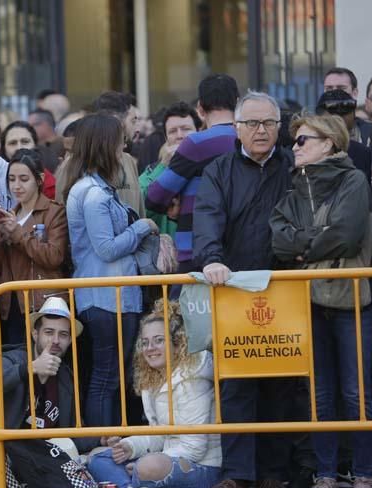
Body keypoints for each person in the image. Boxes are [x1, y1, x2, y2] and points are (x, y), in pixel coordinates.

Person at [270, 113, 372, 488]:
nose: (294, 147)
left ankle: (365, 476)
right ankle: (326, 476)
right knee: (321, 394)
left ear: (329, 143)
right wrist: (311, 241)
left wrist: (304, 246)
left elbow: (348, 235)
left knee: (356, 393)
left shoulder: (351, 179)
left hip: (353, 299)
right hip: (311, 299)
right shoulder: (296, 185)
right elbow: (279, 238)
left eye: (302, 140)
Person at [193, 91, 296, 488]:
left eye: (268, 123)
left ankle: (274, 474)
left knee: (281, 383)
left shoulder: (293, 165)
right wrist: (212, 259)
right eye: (251, 123)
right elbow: (207, 219)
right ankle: (237, 477)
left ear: (279, 126)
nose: (260, 131)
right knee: (235, 383)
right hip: (233, 288)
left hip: (285, 287)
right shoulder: (218, 170)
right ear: (236, 128)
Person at [64, 113, 158, 428]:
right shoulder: (93, 193)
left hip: (110, 295)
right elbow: (106, 248)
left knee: (113, 375)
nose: (124, 146)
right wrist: (142, 227)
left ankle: (109, 443)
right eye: (119, 140)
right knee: (107, 377)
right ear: (106, 144)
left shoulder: (97, 188)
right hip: (106, 296)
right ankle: (101, 447)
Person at [87, 300, 221, 488]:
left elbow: (195, 449)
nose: (150, 349)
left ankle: (131, 486)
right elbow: (159, 434)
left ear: (177, 343)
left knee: (149, 466)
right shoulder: (153, 378)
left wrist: (144, 463)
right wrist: (129, 447)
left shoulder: (193, 376)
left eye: (159, 341)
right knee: (97, 458)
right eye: (146, 342)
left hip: (202, 470)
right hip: (169, 458)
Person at [0, 296, 98, 488]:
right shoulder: (12, 359)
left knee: (99, 458)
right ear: (35, 334)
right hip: (4, 460)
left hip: (44, 458)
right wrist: (30, 369)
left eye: (63, 335)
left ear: (70, 340)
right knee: (66, 481)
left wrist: (102, 439)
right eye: (49, 332)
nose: (55, 341)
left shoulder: (65, 378)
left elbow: (69, 434)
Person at [146, 74, 240, 273]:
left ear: (200, 108)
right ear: (238, 103)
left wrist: (174, 204)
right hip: (241, 248)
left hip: (196, 248)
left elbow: (156, 196)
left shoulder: (197, 143)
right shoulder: (249, 141)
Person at [0, 148, 68, 344]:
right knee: (18, 366)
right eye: (12, 179)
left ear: (39, 179)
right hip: (11, 304)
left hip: (42, 302)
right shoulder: (10, 214)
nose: (16, 186)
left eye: (24, 179)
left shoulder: (53, 211)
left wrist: (16, 232)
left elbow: (54, 256)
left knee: (46, 363)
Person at [139, 103, 202, 236]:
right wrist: (163, 166)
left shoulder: (211, 166)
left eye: (186, 129)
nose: (180, 135)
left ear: (199, 131)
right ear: (166, 138)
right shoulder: (155, 168)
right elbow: (138, 203)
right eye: (173, 131)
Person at [315, 90, 372, 179]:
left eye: (344, 113)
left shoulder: (362, 153)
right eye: (334, 114)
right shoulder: (306, 147)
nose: (339, 119)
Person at [0, 121, 57, 199]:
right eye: (12, 143)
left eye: (25, 142)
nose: (19, 147)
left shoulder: (48, 184)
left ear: (35, 145)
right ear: (4, 149)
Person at [322, 67, 372, 144]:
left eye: (341, 88)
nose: (334, 93)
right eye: (329, 88)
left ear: (355, 93)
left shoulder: (371, 132)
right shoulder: (313, 131)